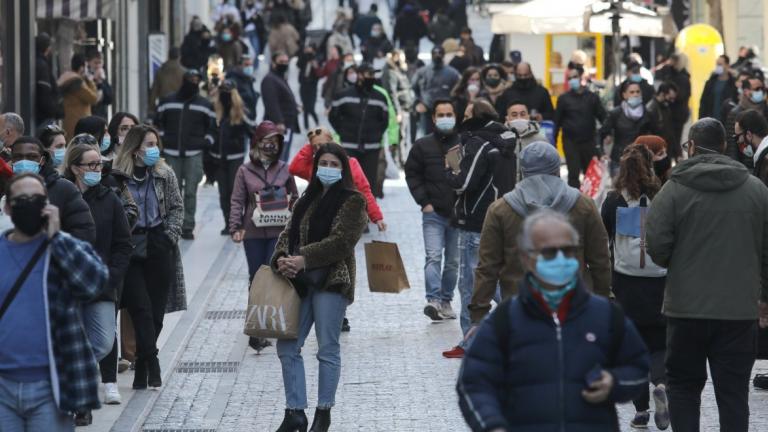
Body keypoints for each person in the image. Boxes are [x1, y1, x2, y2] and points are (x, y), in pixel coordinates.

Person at [457, 209, 649, 432]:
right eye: (549, 252)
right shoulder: (504, 321)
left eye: (567, 251)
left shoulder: (606, 316)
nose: (560, 259)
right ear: (527, 258)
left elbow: (638, 368)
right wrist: (491, 425)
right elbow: (473, 383)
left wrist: (614, 382)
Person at [646, 118, 768, 431]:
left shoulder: (672, 191)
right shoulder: (756, 190)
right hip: (738, 310)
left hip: (685, 308)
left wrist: (681, 262)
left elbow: (656, 246)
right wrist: (764, 296)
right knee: (733, 394)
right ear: (725, 146)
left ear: (690, 147)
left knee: (684, 388)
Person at [271, 143, 368, 432]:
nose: (328, 168)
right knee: (287, 345)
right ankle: (295, 411)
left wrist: (304, 259)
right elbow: (287, 233)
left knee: (327, 348)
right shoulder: (306, 197)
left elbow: (342, 241)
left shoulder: (353, 200)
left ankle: (323, 413)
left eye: (334, 164)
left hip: (331, 281)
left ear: (343, 169)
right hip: (299, 283)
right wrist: (281, 260)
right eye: (323, 163)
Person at [0, 173, 109, 431]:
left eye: (36, 199)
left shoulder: (63, 248)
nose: (29, 204)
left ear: (48, 206)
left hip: (50, 387)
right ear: (7, 206)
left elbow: (95, 283)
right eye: (21, 199)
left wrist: (57, 238)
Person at [468, 141, 612, 327]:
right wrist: (603, 302)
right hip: (575, 309)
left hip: (519, 311)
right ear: (557, 170)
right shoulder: (583, 205)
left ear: (522, 171)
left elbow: (487, 268)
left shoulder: (500, 210)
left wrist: (478, 315)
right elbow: (600, 260)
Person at [600, 144, 669, 430]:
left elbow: (606, 232)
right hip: (659, 279)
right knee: (659, 340)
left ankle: (641, 412)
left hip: (626, 281)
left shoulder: (614, 200)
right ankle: (662, 382)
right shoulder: (663, 196)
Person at [61, 144, 132, 420]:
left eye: (99, 165)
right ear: (75, 167)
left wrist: (112, 275)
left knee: (103, 341)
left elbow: (123, 244)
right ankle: (79, 403)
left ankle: (70, 373)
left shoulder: (110, 198)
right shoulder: (62, 196)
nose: (96, 170)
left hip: (101, 283)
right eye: (90, 165)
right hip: (67, 283)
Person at [113, 125, 186, 390]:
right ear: (134, 149)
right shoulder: (118, 178)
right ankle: (152, 361)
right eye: (148, 144)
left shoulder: (164, 174)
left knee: (156, 314)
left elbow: (177, 207)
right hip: (130, 246)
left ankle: (142, 364)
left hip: (158, 243)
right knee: (140, 308)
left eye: (156, 143)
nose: (154, 149)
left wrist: (170, 236)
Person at [441, 99, 509, 358]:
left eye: (467, 113)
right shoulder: (503, 138)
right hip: (497, 217)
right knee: (492, 280)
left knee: (472, 285)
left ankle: (471, 342)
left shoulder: (477, 142)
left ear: (476, 117)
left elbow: (463, 182)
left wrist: (448, 170)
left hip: (475, 221)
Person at [230, 121, 297, 350]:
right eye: (266, 142)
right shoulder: (244, 170)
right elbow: (237, 200)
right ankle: (255, 328)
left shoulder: (286, 169)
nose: (270, 147)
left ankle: (272, 320)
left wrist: (296, 225)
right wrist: (235, 227)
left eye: (275, 143)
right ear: (257, 144)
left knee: (275, 273)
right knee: (256, 277)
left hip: (279, 232)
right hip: (254, 232)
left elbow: (296, 198)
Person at [405, 99, 461, 321]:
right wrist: (424, 202)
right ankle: (434, 300)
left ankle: (446, 300)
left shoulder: (464, 143)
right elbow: (412, 174)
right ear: (434, 118)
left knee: (453, 261)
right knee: (433, 256)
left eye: (449, 114)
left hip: (458, 214)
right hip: (433, 213)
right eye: (441, 114)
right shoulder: (422, 145)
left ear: (455, 116)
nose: (445, 118)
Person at [155, 69, 217, 240]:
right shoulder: (167, 101)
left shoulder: (205, 104)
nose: (193, 81)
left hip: (193, 153)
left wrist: (206, 143)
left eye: (197, 79)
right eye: (190, 78)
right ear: (184, 80)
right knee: (171, 191)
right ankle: (172, 224)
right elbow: (157, 122)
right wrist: (162, 140)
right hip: (171, 152)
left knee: (190, 191)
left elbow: (212, 128)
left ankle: (188, 226)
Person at [10, 137, 96, 243]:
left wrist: (54, 247)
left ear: (42, 160)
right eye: (18, 157)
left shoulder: (64, 189)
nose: (24, 162)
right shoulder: (4, 189)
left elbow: (85, 232)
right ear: (12, 160)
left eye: (31, 157)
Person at [329, 62, 389, 190]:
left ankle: (367, 209)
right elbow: (333, 116)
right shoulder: (343, 95)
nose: (372, 77)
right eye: (369, 74)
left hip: (372, 148)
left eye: (373, 74)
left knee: (368, 185)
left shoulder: (380, 97)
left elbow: (384, 120)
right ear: (360, 75)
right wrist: (343, 132)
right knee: (348, 183)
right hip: (349, 146)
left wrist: (376, 135)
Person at [209, 80, 255, 234]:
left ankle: (236, 222)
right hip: (217, 157)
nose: (225, 95)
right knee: (223, 192)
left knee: (233, 191)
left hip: (235, 156)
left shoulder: (242, 112)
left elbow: (254, 132)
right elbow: (207, 129)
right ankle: (229, 223)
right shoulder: (214, 110)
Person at [554, 65, 607, 187]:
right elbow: (557, 121)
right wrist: (554, 142)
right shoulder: (563, 99)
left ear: (581, 77)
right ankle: (575, 202)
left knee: (591, 174)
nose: (572, 79)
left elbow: (603, 117)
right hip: (570, 141)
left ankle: (591, 202)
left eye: (575, 77)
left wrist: (606, 135)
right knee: (573, 174)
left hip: (589, 141)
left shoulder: (592, 97)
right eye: (570, 77)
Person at [600, 81, 656, 174]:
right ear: (624, 95)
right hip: (619, 160)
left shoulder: (647, 113)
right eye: (632, 92)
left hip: (641, 161)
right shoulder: (616, 113)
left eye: (638, 92)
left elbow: (654, 133)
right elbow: (602, 132)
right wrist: (602, 153)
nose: (635, 95)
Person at [412, 46, 461, 136]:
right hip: (427, 111)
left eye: (440, 53)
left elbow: (459, 89)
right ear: (431, 55)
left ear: (443, 55)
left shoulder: (453, 73)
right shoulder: (422, 72)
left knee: (447, 137)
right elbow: (414, 88)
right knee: (427, 138)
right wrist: (417, 103)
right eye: (435, 53)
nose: (437, 55)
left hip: (446, 111)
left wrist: (454, 106)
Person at [261, 52, 299, 162]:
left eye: (286, 62)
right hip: (278, 127)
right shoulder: (270, 79)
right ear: (273, 63)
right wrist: (278, 121)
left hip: (287, 125)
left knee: (283, 158)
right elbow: (271, 102)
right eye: (281, 62)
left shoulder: (280, 78)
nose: (284, 64)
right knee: (278, 158)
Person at [725, 76, 768, 169]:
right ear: (745, 91)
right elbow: (732, 147)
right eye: (757, 89)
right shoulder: (736, 113)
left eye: (762, 88)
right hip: (744, 167)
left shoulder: (766, 110)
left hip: (763, 164)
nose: (760, 91)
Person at [57, 54, 99, 140]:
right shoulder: (77, 82)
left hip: (70, 121)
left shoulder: (67, 78)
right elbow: (94, 98)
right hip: (79, 122)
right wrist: (91, 81)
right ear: (82, 68)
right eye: (86, 67)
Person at [655, 53, 692, 149]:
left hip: (677, 113)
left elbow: (682, 95)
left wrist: (671, 95)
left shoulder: (683, 78)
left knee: (675, 139)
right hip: (669, 112)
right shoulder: (669, 73)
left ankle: (676, 156)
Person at [504, 101, 548, 181]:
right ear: (507, 118)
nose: (519, 118)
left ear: (528, 116)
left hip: (534, 189)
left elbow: (550, 166)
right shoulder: (501, 139)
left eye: (522, 114)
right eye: (514, 115)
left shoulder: (541, 140)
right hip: (509, 191)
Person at [646, 82, 680, 160]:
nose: (672, 101)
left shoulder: (665, 107)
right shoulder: (651, 109)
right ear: (662, 94)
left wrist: (677, 152)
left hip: (665, 152)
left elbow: (670, 131)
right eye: (670, 98)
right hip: (656, 154)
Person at [35, 33, 63, 126]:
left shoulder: (38, 62)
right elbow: (44, 92)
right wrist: (53, 111)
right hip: (43, 116)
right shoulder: (42, 65)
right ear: (47, 48)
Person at [699, 55, 738, 122]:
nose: (718, 67)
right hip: (711, 120)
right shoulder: (710, 82)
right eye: (717, 64)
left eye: (720, 64)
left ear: (727, 65)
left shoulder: (733, 83)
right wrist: (701, 119)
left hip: (727, 120)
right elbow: (703, 102)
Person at [735, 109, 768, 186]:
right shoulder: (762, 158)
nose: (738, 142)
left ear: (749, 135)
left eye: (737, 137)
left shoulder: (765, 161)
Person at [149, 47, 185, 115]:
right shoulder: (184, 72)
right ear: (179, 56)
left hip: (164, 105)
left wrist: (152, 108)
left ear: (168, 56)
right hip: (179, 106)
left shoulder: (161, 71)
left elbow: (154, 91)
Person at [298, 45, 322, 131]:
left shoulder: (317, 58)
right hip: (303, 84)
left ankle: (317, 122)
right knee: (305, 106)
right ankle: (306, 126)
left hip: (312, 86)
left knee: (310, 107)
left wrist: (314, 62)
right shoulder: (304, 58)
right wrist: (304, 54)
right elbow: (298, 64)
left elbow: (318, 73)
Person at [85, 48, 113, 120]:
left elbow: (109, 98)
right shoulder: (85, 76)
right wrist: (94, 80)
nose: (97, 66)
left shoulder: (102, 77)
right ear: (89, 62)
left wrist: (101, 82)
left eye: (99, 63)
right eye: (95, 63)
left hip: (101, 115)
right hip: (89, 115)